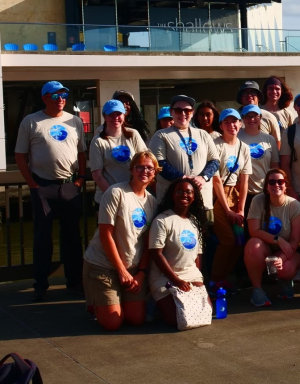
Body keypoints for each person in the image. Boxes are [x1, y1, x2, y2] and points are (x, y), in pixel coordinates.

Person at [15, 81, 87, 301]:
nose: (61, 99)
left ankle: (74, 283)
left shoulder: (74, 121)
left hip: (69, 185)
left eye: (64, 94)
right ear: (45, 98)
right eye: (55, 96)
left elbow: (82, 152)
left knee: (72, 237)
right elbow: (20, 156)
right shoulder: (31, 121)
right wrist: (33, 185)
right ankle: (40, 285)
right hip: (43, 186)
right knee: (42, 238)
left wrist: (80, 179)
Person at [83, 152, 159, 330]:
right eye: (139, 167)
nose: (144, 171)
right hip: (104, 265)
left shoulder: (152, 202)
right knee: (113, 323)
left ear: (155, 172)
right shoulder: (116, 192)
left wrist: (140, 273)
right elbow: (105, 234)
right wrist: (121, 270)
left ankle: (113, 302)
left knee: (136, 320)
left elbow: (147, 241)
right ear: (132, 170)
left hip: (132, 268)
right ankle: (96, 301)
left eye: (149, 168)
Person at [148, 95, 220, 224]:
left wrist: (203, 177)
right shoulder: (161, 135)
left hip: (202, 200)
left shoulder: (203, 134)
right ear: (171, 112)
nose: (183, 114)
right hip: (172, 200)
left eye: (187, 110)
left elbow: (214, 161)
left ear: (192, 113)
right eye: (178, 110)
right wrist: (184, 179)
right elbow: (159, 164)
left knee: (205, 239)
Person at [148, 178, 208, 328]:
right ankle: (154, 304)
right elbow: (156, 254)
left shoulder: (195, 221)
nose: (184, 195)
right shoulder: (162, 221)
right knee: (177, 319)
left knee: (204, 314)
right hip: (165, 277)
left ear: (194, 196)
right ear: (172, 195)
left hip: (190, 275)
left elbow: (197, 256)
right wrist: (176, 281)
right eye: (179, 192)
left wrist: (196, 278)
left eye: (189, 192)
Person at [244, 169, 300, 307]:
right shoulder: (258, 200)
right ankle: (257, 290)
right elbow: (254, 231)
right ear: (266, 186)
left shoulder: (295, 206)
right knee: (253, 245)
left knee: (286, 268)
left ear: (286, 186)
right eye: (272, 182)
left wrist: (281, 259)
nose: (276, 185)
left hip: (290, 250)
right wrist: (278, 239)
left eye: (280, 181)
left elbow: (296, 240)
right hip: (267, 247)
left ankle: (286, 281)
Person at [210, 108, 251, 293]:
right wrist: (227, 210)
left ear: (240, 124)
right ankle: (214, 280)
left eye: (235, 121)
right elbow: (216, 179)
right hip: (218, 196)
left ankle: (224, 278)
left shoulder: (244, 147)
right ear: (220, 126)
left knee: (239, 240)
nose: (231, 125)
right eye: (227, 122)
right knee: (226, 240)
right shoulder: (215, 145)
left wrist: (241, 209)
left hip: (236, 195)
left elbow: (244, 181)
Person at [90, 100, 147, 210]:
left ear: (124, 115)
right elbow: (97, 175)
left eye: (118, 114)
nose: (115, 117)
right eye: (111, 114)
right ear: (104, 117)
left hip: (133, 195)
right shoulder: (98, 141)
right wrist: (115, 196)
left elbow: (145, 162)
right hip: (107, 198)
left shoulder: (133, 134)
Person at [237, 105, 279, 215]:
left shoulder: (269, 139)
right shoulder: (236, 137)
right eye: (248, 116)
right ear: (243, 118)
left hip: (265, 192)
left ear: (260, 118)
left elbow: (275, 166)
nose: (252, 119)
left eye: (255, 116)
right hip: (243, 193)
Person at [237, 80, 283, 149]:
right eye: (245, 93)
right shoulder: (233, 117)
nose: (249, 95)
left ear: (258, 97)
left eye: (253, 92)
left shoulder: (269, 116)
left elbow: (277, 143)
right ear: (240, 98)